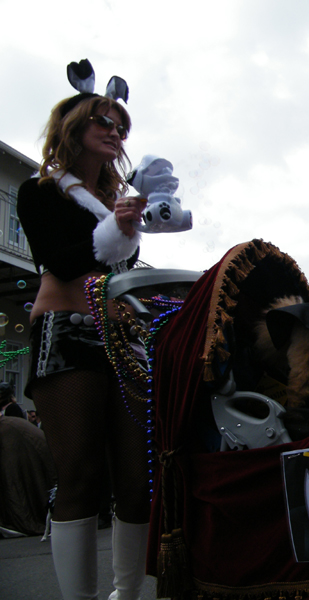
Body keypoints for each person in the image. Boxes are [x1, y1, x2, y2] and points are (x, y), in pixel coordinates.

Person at [16, 61, 149, 600]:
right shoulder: (39, 191)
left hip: (123, 341)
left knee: (138, 479)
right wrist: (117, 225)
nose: (115, 131)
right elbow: (64, 261)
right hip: (66, 333)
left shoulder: (118, 201)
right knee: (79, 476)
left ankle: (127, 593)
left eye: (121, 126)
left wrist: (127, 224)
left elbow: (122, 269)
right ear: (72, 124)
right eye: (103, 120)